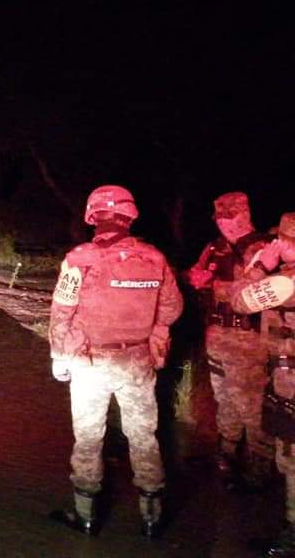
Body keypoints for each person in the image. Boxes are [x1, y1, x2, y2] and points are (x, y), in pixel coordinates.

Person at [49, 185, 183, 537]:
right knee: (144, 437)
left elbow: (62, 311)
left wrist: (59, 355)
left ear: (93, 217)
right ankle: (152, 519)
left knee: (88, 438)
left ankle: (86, 517)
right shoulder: (154, 258)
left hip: (90, 364)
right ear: (129, 217)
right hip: (137, 362)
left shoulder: (80, 258)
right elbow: (172, 308)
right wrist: (153, 332)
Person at [185, 191, 273, 489]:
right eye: (220, 219)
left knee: (250, 402)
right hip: (216, 334)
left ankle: (260, 465)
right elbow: (198, 274)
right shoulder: (215, 247)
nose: (225, 224)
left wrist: (216, 285)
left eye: (231, 218)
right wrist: (196, 278)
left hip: (248, 339)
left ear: (245, 215)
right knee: (224, 398)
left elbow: (259, 292)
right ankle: (227, 456)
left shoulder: (261, 249)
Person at [231, 212, 295, 557]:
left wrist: (260, 264)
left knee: (292, 460)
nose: (277, 244)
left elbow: (240, 300)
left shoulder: (287, 281)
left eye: (281, 240)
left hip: (292, 382)